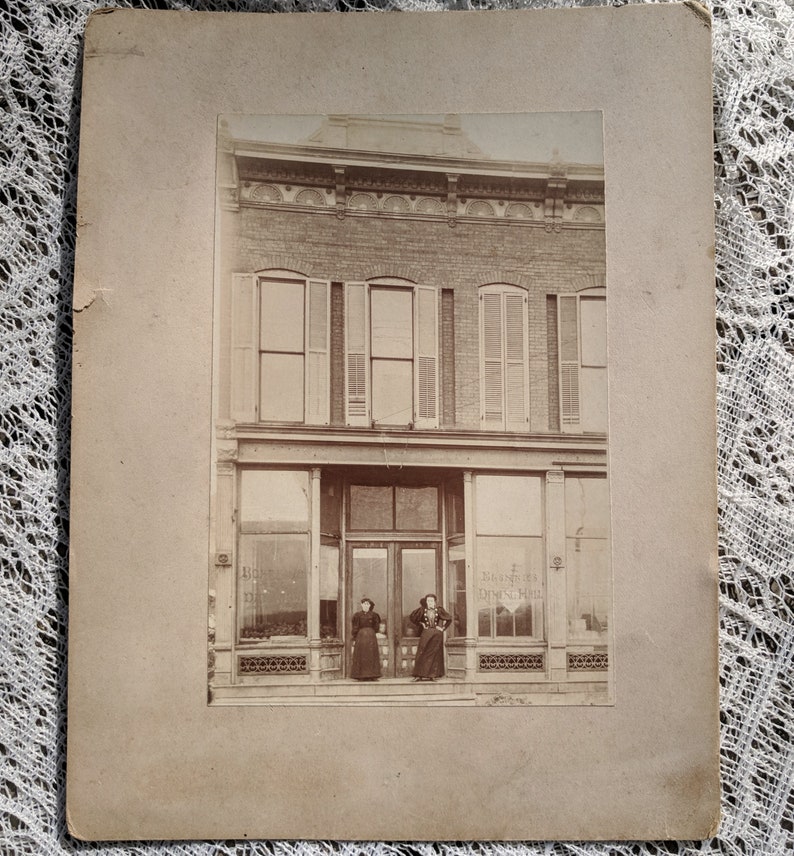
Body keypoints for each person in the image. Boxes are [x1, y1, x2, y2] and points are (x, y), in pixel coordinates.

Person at [410, 593, 451, 681]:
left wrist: (442, 628)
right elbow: (412, 617)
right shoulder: (422, 610)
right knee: (421, 652)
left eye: (431, 601)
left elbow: (449, 619)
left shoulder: (439, 610)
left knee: (434, 654)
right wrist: (421, 624)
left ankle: (432, 675)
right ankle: (418, 675)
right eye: (428, 601)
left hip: (436, 634)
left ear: (435, 602)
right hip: (426, 633)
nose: (430, 602)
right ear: (426, 602)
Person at [350, 597, 381, 681]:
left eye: (367, 604)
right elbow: (355, 627)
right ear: (361, 605)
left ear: (370, 605)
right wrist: (355, 636)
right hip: (361, 637)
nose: (366, 606)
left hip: (371, 637)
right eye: (364, 604)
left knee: (371, 655)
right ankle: (361, 675)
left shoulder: (374, 615)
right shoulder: (357, 615)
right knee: (361, 655)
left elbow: (376, 627)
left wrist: (370, 631)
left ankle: (373, 675)